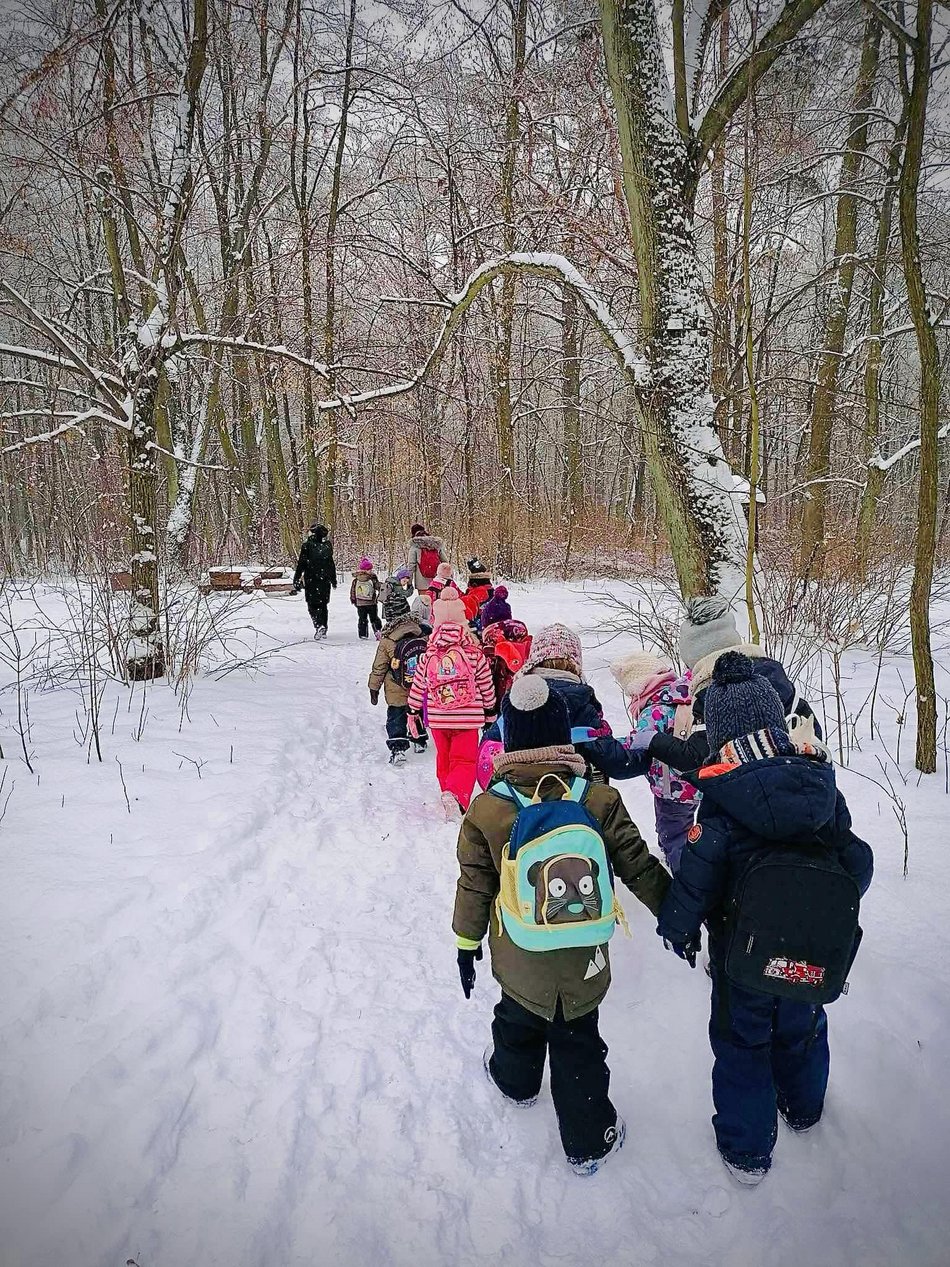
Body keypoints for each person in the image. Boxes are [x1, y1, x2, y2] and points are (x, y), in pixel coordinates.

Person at [657, 651, 873, 1185]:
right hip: (810, 951)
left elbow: (698, 879)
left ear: (721, 736)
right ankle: (803, 1110)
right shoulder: (820, 785)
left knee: (741, 1044)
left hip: (743, 958)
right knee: (802, 1027)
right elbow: (857, 863)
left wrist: (678, 931)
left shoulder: (723, 799)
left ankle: (747, 1152)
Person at [453, 673, 671, 1175]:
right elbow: (638, 864)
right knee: (579, 1044)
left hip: (519, 953)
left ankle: (515, 1082)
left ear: (510, 740)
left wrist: (467, 942)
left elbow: (474, 884)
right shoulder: (596, 800)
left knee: (517, 1017)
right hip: (582, 959)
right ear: (562, 733)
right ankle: (590, 1141)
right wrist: (676, 917)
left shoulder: (488, 809)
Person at [638, 597, 822, 777]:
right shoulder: (771, 672)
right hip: (805, 785)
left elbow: (698, 758)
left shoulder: (714, 693)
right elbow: (811, 726)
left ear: (695, 658)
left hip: (752, 795)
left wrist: (653, 740)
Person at [481, 623, 642, 784]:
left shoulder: (517, 698)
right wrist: (648, 751)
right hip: (570, 797)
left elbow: (489, 750)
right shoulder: (579, 701)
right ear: (576, 661)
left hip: (518, 795)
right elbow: (616, 762)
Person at [407, 589, 496, 819]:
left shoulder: (428, 654)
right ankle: (456, 794)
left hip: (438, 716)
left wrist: (413, 710)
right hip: (467, 718)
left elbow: (419, 684)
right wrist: (490, 711)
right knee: (465, 759)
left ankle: (446, 788)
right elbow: (486, 683)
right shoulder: (474, 653)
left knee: (444, 756)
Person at [611, 651, 698, 873]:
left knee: (673, 833)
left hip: (672, 790)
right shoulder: (688, 696)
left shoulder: (654, 710)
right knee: (696, 830)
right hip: (699, 780)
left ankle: (682, 875)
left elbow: (636, 743)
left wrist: (607, 745)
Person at [368, 582, 429, 765]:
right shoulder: (421, 633)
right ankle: (419, 740)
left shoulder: (387, 640)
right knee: (415, 710)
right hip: (418, 684)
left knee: (396, 714)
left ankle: (398, 748)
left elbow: (379, 666)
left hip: (396, 685)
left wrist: (374, 687)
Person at [292, 523, 337, 640]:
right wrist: (333, 579)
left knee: (312, 605)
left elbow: (301, 563)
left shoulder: (307, 546)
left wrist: (296, 578)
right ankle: (324, 628)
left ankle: (319, 625)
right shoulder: (327, 547)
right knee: (323, 605)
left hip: (312, 580)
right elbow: (331, 564)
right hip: (325, 580)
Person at [408, 523, 448, 593]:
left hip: (421, 583)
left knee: (424, 603)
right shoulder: (436, 544)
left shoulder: (415, 546)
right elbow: (445, 562)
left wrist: (409, 583)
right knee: (435, 602)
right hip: (436, 581)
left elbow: (411, 566)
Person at [350, 556, 382, 639]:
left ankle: (363, 634)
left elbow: (353, 590)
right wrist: (383, 587)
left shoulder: (356, 579)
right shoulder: (372, 578)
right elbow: (378, 586)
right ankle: (378, 631)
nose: (371, 571)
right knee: (374, 618)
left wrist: (353, 599)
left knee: (362, 619)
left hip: (360, 603)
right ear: (364, 570)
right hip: (371, 602)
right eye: (369, 569)